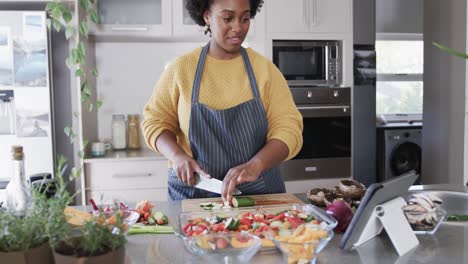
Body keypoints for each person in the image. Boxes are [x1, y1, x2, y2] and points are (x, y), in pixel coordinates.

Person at [142, 0, 303, 202]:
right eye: (228, 18)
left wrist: (257, 164)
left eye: (245, 18)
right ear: (206, 16)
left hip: (259, 196)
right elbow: (154, 121)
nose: (238, 27)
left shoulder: (266, 71)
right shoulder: (181, 69)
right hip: (194, 193)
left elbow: (289, 129)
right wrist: (177, 156)